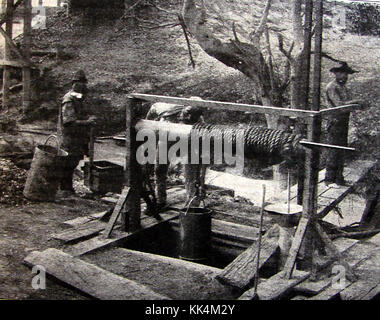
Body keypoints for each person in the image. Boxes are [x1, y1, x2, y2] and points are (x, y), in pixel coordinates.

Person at [145, 97, 206, 210]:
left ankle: (192, 206)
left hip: (187, 141)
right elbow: (154, 107)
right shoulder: (169, 108)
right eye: (187, 113)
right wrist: (146, 125)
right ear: (184, 107)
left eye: (192, 116)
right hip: (166, 137)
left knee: (191, 172)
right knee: (159, 169)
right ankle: (160, 200)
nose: (188, 117)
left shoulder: (199, 122)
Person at [59, 70, 97, 193]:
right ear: (74, 84)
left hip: (78, 137)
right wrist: (88, 122)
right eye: (79, 83)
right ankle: (65, 189)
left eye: (84, 83)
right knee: (68, 163)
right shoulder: (69, 100)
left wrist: (88, 118)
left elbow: (81, 115)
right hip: (70, 137)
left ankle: (67, 188)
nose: (83, 86)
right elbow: (69, 122)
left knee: (73, 161)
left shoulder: (79, 99)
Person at [324, 62, 362, 186]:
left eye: (346, 74)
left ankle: (339, 178)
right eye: (342, 73)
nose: (345, 76)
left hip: (343, 121)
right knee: (333, 149)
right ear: (336, 73)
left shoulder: (343, 87)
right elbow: (339, 104)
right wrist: (355, 102)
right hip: (334, 121)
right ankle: (329, 179)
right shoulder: (332, 87)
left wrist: (355, 104)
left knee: (342, 149)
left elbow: (348, 104)